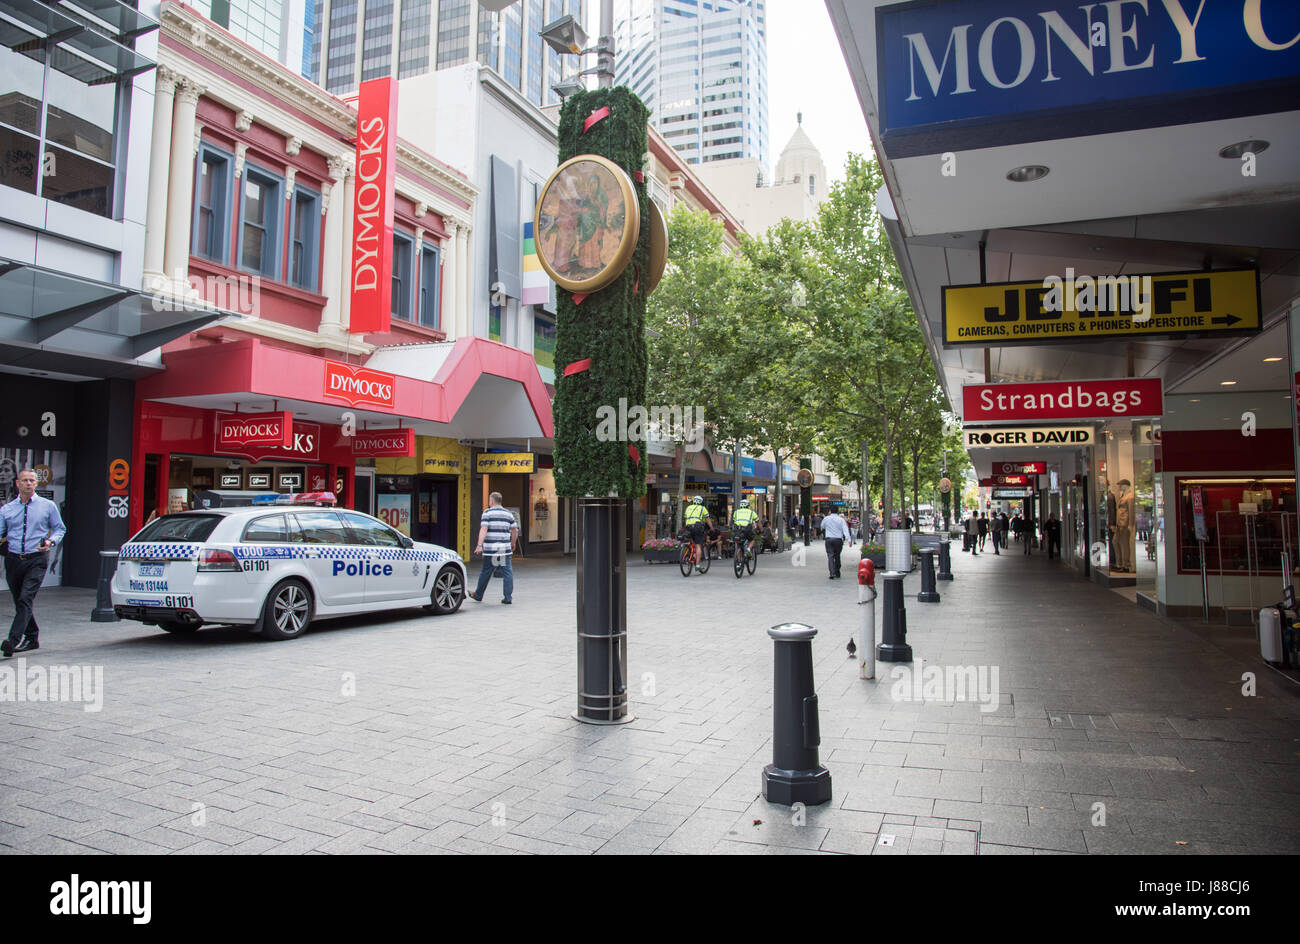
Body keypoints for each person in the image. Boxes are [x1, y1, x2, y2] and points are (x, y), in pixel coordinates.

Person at [1, 468, 66, 656]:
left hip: (36, 559)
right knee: (20, 601)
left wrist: (50, 541)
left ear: (36, 484)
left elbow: (59, 529)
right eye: (25, 480)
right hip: (13, 560)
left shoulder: (48, 506)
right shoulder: (7, 509)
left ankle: (12, 642)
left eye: (32, 480)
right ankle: (32, 636)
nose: (28, 483)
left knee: (25, 598)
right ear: (17, 483)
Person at [470, 492, 518, 604]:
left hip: (491, 549)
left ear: (491, 501)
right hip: (504, 549)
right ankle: (508, 598)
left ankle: (478, 595)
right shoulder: (508, 514)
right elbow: (515, 530)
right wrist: (513, 543)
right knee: (507, 572)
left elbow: (484, 529)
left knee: (486, 572)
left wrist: (479, 545)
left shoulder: (487, 513)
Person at [684, 495, 712, 572]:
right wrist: (712, 528)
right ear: (701, 502)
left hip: (688, 527)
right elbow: (707, 519)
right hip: (697, 527)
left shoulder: (688, 508)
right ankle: (697, 565)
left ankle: (690, 552)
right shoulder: (703, 508)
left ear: (693, 501)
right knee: (698, 545)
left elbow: (686, 518)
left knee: (691, 541)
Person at [821, 506, 850, 579]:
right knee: (837, 556)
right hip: (838, 540)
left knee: (830, 556)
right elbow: (845, 529)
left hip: (829, 539)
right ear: (837, 512)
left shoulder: (826, 518)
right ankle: (837, 571)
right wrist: (849, 539)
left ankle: (832, 573)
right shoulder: (841, 520)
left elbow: (822, 526)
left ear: (830, 511)